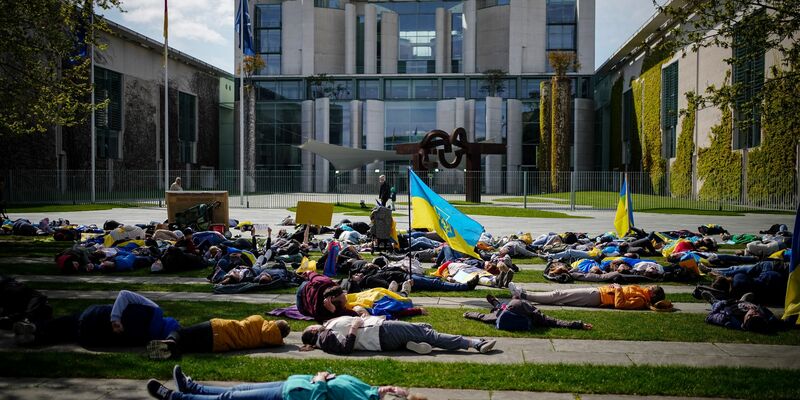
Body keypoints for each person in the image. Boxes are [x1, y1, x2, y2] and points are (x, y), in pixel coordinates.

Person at [147, 365, 424, 400]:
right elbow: (337, 382)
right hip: (293, 383)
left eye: (400, 395)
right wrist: (325, 375)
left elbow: (320, 399)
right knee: (235, 390)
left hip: (292, 397)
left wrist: (319, 382)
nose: (396, 389)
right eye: (401, 390)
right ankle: (191, 388)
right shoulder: (370, 391)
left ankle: (174, 398)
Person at [13, 290, 179, 347]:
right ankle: (35, 337)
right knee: (66, 334)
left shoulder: (154, 309)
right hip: (93, 339)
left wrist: (115, 319)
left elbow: (124, 294)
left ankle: (35, 328)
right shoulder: (145, 339)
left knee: (67, 322)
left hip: (99, 316)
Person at [300, 314, 496, 355]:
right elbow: (345, 349)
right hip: (381, 332)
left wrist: (363, 316)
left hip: (379, 331)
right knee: (429, 334)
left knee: (423, 327)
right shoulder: (324, 338)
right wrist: (355, 326)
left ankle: (411, 344)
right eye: (310, 328)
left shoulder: (326, 330)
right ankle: (474, 343)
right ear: (312, 332)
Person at [147, 316, 290, 359]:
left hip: (218, 327)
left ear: (274, 323)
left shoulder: (259, 320)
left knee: (181, 333)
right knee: (189, 346)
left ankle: (171, 341)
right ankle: (173, 352)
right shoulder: (272, 343)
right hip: (219, 345)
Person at [464, 295, 593, 331]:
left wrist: (468, 313)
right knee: (499, 309)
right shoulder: (534, 313)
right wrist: (579, 324)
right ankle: (496, 303)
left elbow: (482, 317)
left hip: (504, 311)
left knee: (498, 309)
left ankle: (496, 303)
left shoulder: (501, 316)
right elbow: (556, 322)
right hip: (512, 312)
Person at [508, 282, 666, 310]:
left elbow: (620, 304)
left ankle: (522, 294)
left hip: (597, 297)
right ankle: (523, 294)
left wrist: (618, 289)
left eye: (651, 288)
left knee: (558, 296)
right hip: (598, 292)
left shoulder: (640, 300)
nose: (649, 287)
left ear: (652, 293)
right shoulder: (641, 293)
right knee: (559, 295)